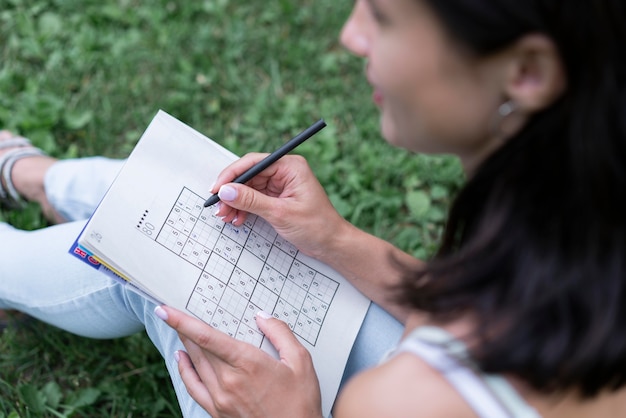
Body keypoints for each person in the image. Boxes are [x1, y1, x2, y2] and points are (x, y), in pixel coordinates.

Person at [2, 0, 625, 416]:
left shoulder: (404, 400)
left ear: (527, 71)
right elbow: (485, 308)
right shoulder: (580, 227)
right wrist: (331, 237)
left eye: (382, 16)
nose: (350, 34)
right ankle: (37, 177)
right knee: (191, 225)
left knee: (159, 271)